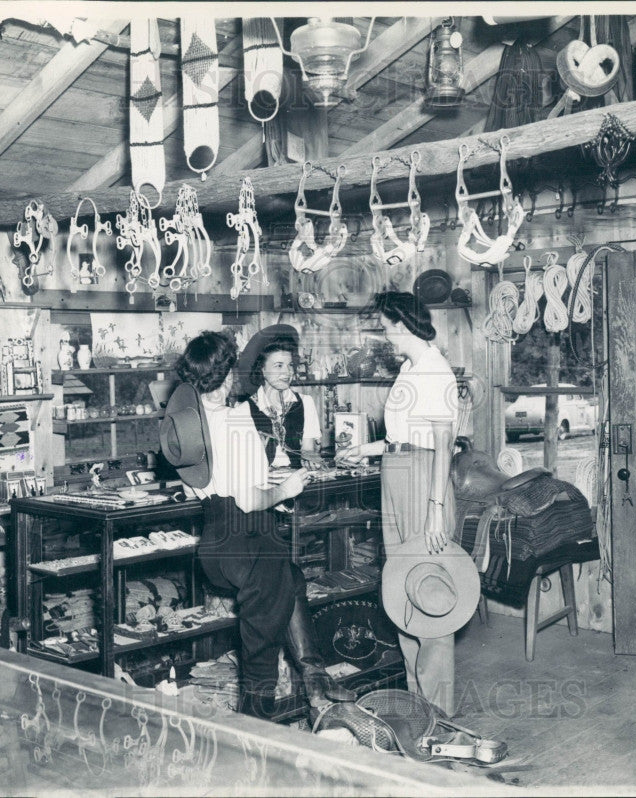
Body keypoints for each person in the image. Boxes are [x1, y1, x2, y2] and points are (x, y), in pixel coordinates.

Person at [161, 331, 352, 721]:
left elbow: (196, 484)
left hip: (215, 543)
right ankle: (255, 735)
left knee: (293, 580)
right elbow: (250, 500)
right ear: (228, 374)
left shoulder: (189, 423)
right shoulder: (239, 420)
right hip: (252, 540)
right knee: (260, 658)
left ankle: (314, 677)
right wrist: (286, 487)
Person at [337, 292, 462, 715]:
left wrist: (435, 510)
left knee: (432, 597)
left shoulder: (435, 370)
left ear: (405, 326)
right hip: (398, 472)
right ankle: (416, 707)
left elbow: (443, 446)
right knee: (402, 594)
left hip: (425, 481)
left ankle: (438, 716)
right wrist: (366, 450)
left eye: (389, 328)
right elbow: (404, 435)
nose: (387, 338)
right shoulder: (411, 368)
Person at [237, 324, 323, 469]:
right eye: (278, 366)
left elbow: (308, 450)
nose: (287, 372)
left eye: (290, 365)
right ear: (262, 370)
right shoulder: (244, 410)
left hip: (299, 483)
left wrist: (311, 459)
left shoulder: (305, 403)